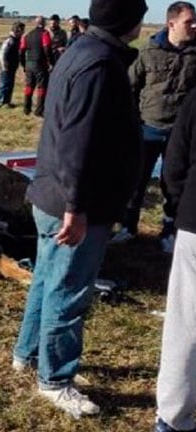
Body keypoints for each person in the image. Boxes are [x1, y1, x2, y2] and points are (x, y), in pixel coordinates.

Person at [12, 0, 146, 418]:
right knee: (68, 291)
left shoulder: (83, 51)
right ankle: (55, 380)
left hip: (55, 193)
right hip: (74, 201)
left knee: (47, 280)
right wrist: (77, 206)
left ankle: (27, 354)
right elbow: (77, 139)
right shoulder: (100, 64)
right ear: (130, 20)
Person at [112, 1, 196, 253]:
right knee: (136, 179)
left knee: (174, 184)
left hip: (180, 134)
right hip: (148, 127)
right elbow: (130, 87)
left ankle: (170, 230)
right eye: (188, 22)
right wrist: (131, 122)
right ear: (171, 23)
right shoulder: (148, 51)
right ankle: (128, 226)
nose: (194, 26)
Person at [151, 83, 196, 432]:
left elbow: (175, 162)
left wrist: (181, 206)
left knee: (184, 321)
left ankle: (171, 416)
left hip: (193, 224)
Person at [19, 16, 52, 117]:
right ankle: (39, 110)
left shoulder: (27, 35)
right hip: (40, 64)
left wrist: (24, 64)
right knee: (41, 87)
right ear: (44, 23)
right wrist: (51, 62)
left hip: (29, 64)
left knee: (29, 86)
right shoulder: (44, 34)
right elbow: (47, 49)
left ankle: (26, 108)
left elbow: (21, 51)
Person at [0, 21, 25, 109]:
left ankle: (6, 102)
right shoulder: (10, 40)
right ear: (17, 30)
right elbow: (2, 53)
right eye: (22, 31)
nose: (23, 33)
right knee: (3, 84)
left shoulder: (17, 40)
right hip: (6, 67)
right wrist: (4, 65)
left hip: (12, 66)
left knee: (10, 85)